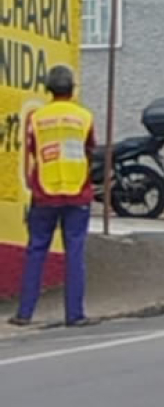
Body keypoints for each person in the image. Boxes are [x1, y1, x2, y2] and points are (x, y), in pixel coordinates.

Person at [8, 66, 95, 327]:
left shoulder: (36, 118)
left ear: (47, 88)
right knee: (75, 253)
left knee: (36, 250)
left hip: (45, 193)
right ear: (72, 88)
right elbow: (90, 149)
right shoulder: (84, 117)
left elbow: (32, 152)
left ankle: (24, 313)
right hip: (77, 192)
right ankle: (75, 314)